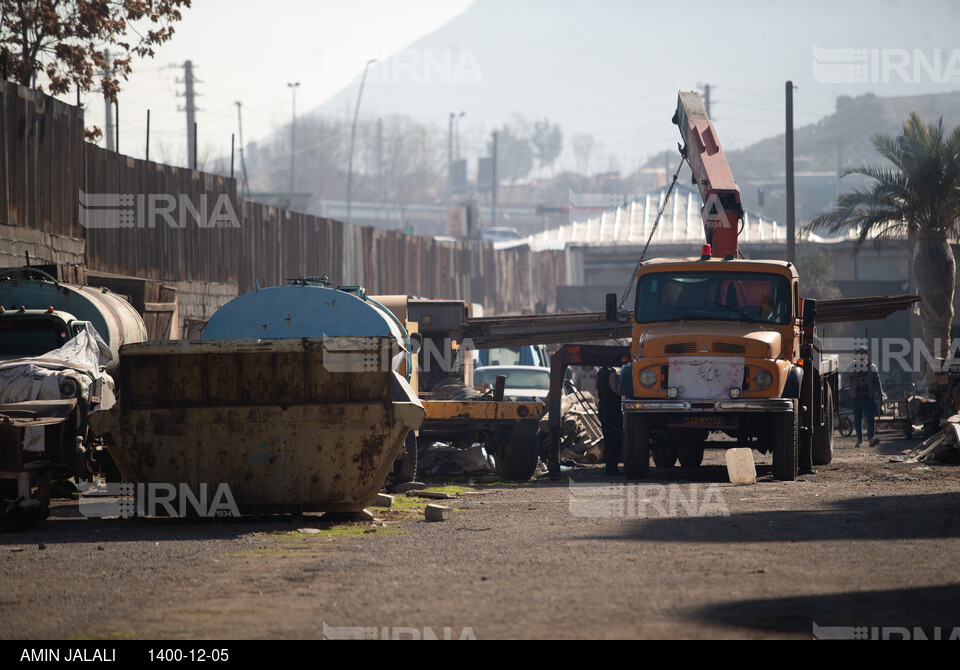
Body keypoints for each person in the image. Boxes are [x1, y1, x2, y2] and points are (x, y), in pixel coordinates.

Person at [845, 345, 884, 447]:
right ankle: (860, 439)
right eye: (860, 353)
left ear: (867, 354)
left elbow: (877, 382)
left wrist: (880, 395)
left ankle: (871, 438)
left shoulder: (872, 367)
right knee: (857, 419)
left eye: (863, 353)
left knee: (871, 418)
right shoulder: (852, 366)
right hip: (856, 398)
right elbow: (845, 378)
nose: (861, 355)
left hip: (869, 398)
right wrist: (851, 374)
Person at [596, 366, 623, 476]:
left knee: (608, 439)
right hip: (612, 409)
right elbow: (616, 390)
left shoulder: (600, 372)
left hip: (603, 407)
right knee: (615, 439)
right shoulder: (611, 373)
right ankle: (612, 469)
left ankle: (610, 467)